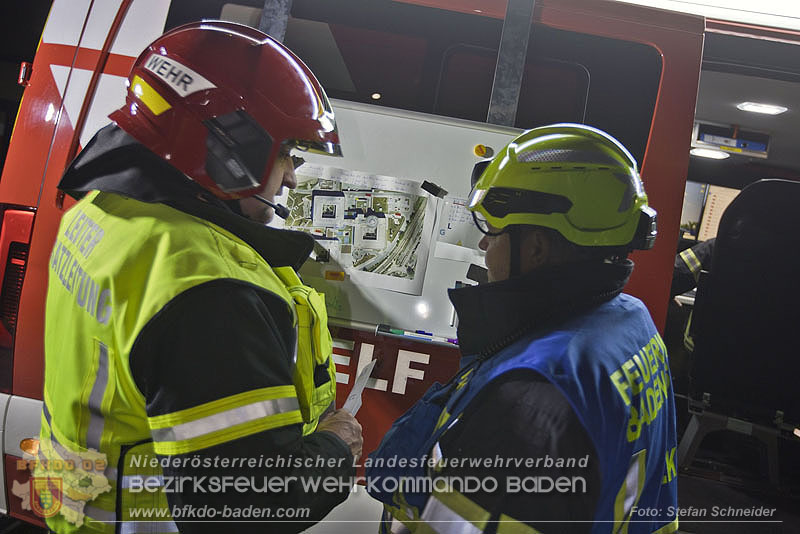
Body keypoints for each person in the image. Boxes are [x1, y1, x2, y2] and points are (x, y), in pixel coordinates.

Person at [36, 21, 362, 533]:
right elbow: (245, 507)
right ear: (233, 146)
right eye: (285, 154)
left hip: (78, 512)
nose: (293, 176)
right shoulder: (211, 289)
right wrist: (335, 448)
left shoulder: (100, 210)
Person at [366, 124, 678, 534]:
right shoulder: (629, 323)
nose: (483, 247)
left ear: (535, 248)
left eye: (492, 232)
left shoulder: (530, 401)